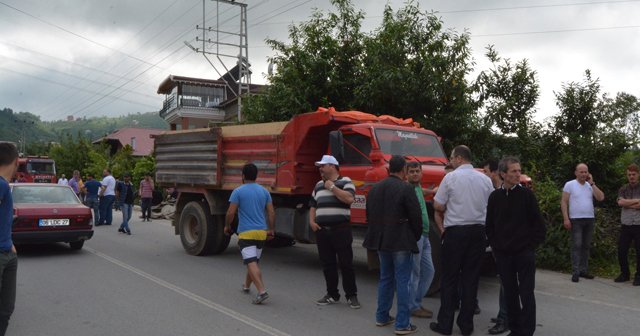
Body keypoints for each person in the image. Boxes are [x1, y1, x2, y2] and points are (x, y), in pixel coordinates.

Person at [430, 145, 494, 336]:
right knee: (470, 279)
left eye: (451, 157)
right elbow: (491, 206)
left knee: (450, 278)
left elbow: (439, 204)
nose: (450, 161)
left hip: (456, 232)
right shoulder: (485, 179)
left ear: (459, 158)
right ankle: (466, 326)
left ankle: (445, 324)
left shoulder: (450, 177)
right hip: (478, 233)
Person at [486, 157, 546, 336]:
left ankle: (527, 331)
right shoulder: (495, 197)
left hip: (524, 253)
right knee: (510, 294)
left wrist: (530, 247)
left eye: (519, 170)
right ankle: (515, 329)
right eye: (514, 171)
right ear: (503, 174)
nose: (518, 174)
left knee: (526, 293)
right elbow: (490, 226)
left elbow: (539, 225)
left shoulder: (527, 196)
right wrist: (496, 246)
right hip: (504, 255)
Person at [364, 155, 422, 335]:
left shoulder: (375, 189)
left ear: (389, 170)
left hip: (382, 240)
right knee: (403, 281)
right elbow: (416, 216)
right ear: (404, 170)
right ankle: (402, 324)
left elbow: (369, 215)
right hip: (400, 240)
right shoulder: (406, 188)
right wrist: (415, 235)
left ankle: (382, 317)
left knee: (386, 278)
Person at [309, 155, 360, 309]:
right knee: (327, 264)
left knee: (346, 263)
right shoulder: (318, 185)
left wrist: (332, 187)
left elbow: (349, 199)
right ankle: (332, 294)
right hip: (323, 231)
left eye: (322, 166)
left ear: (332, 166)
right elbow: (313, 204)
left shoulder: (346, 182)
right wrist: (311, 221)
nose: (320, 169)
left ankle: (351, 295)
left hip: (341, 229)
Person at [224, 163, 275, 304]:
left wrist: (227, 225)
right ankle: (246, 286)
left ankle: (262, 291)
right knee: (253, 262)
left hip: (246, 233)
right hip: (261, 233)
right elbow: (271, 212)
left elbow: (230, 212)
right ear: (256, 175)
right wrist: (271, 229)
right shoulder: (264, 191)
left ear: (243, 176)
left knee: (251, 262)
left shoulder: (238, 191)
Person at [560, 163, 605, 282]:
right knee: (577, 245)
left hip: (589, 219)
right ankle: (575, 272)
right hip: (576, 219)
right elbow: (564, 202)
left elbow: (601, 198)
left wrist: (592, 184)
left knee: (586, 246)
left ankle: (583, 270)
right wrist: (566, 218)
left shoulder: (590, 186)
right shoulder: (570, 185)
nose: (584, 174)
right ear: (576, 173)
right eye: (581, 172)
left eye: (586, 172)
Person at [483, 158, 509, 335]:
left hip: (507, 245)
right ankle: (503, 314)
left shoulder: (506, 193)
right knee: (503, 281)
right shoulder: (494, 192)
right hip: (498, 243)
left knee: (506, 282)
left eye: (485, 172)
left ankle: (505, 319)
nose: (483, 175)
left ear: (495, 173)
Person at [406, 161, 435, 319]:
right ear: (406, 174)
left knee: (429, 271)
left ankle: (415, 302)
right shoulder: (408, 189)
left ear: (421, 173)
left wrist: (431, 190)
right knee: (414, 273)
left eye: (417, 171)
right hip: (416, 237)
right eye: (411, 171)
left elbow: (421, 191)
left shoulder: (416, 188)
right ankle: (413, 306)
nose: (415, 173)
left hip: (426, 236)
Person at [0, 142, 18, 335]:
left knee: (5, 309)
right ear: (16, 162)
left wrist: (9, 243)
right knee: (4, 309)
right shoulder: (1, 184)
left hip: (7, 251)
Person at [615, 163, 640, 285]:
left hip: (639, 225)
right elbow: (620, 203)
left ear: (638, 174)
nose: (631, 177)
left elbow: (625, 203)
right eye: (629, 174)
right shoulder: (623, 189)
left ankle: (639, 276)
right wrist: (636, 201)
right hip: (626, 224)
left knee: (639, 252)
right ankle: (625, 274)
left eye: (633, 174)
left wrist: (627, 203)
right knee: (621, 250)